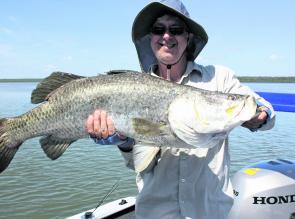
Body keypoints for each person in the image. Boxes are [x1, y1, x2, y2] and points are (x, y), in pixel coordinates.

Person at [86, 0, 275, 218]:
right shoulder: (133, 88)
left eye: (176, 29)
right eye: (159, 30)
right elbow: (138, 165)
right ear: (151, 39)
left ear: (188, 38)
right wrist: (125, 143)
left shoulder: (219, 78)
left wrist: (261, 116)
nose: (167, 36)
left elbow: (264, 110)